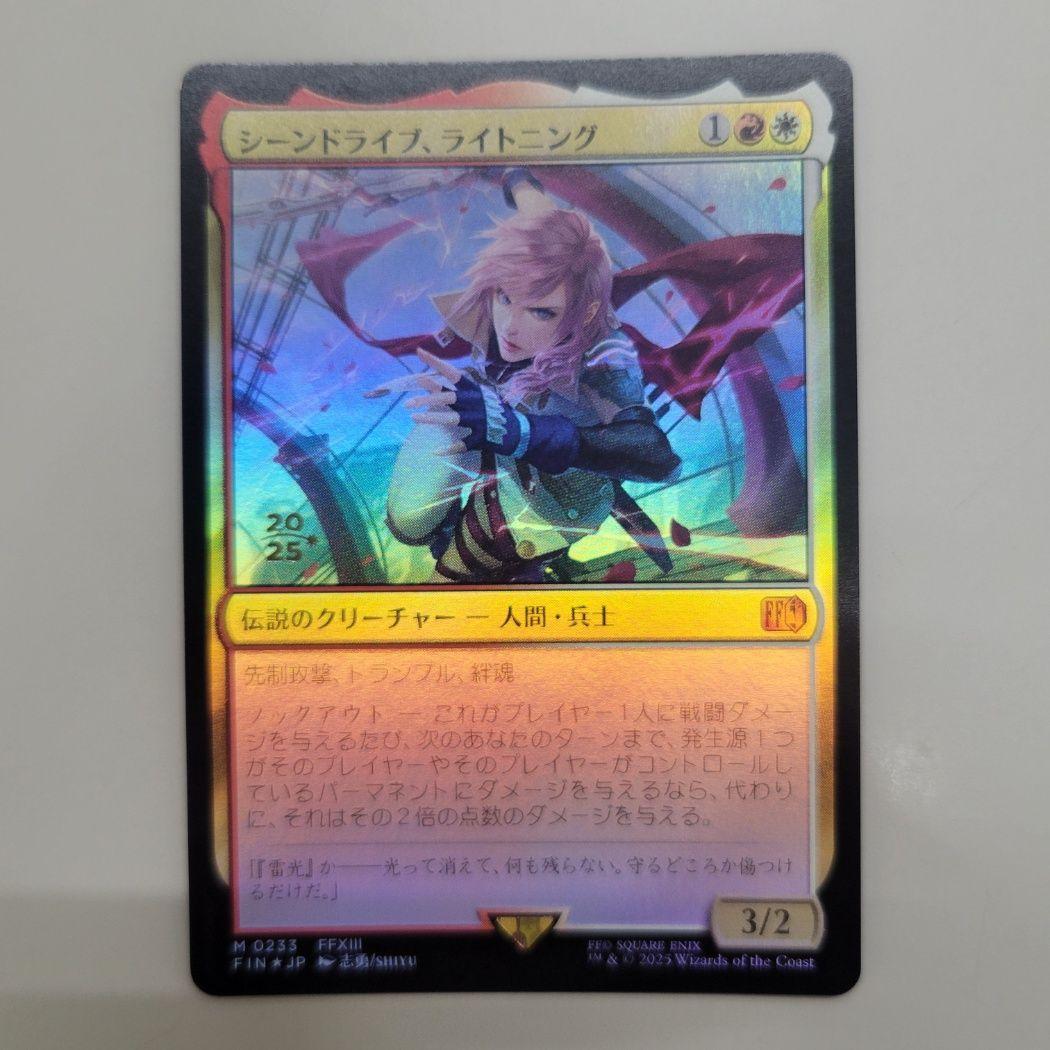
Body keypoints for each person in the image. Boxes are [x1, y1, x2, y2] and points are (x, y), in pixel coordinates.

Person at [369, 175, 680, 582]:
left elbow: (657, 457)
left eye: (541, 312)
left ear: (584, 312)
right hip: (498, 440)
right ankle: (448, 535)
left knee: (449, 583)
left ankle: (504, 566)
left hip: (556, 494)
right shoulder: (512, 302)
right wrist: (519, 183)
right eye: (505, 298)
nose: (510, 328)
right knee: (410, 517)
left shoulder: (603, 351)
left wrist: (524, 432)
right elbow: (547, 229)